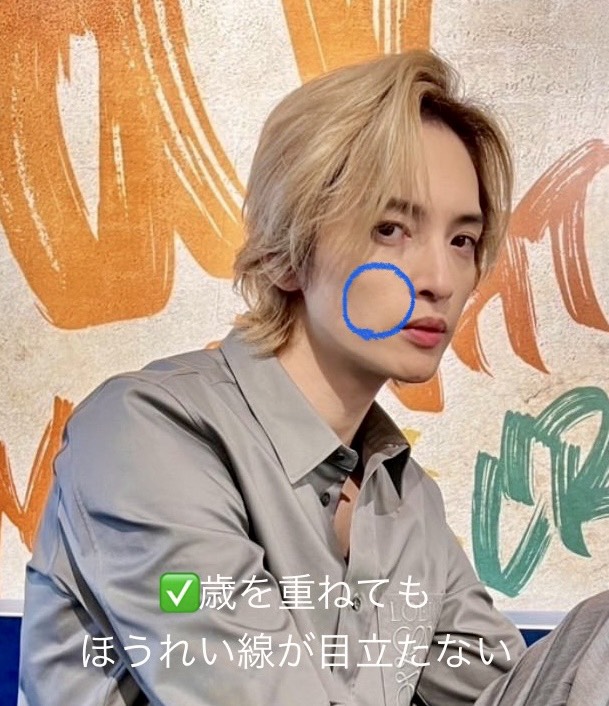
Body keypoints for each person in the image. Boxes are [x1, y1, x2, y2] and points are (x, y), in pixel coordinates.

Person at [17, 49, 607, 706]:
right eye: (391, 229)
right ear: (288, 254)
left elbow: (509, 693)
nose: (440, 281)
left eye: (461, 240)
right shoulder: (143, 434)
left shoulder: (403, 495)